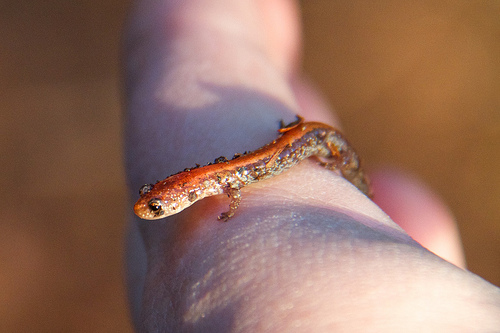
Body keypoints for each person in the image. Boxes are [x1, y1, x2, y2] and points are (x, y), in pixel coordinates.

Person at [124, 1, 500, 331]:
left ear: (181, 192)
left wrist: (233, 210)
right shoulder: (212, 181)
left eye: (155, 204)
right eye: (153, 202)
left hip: (314, 139)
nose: (150, 208)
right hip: (307, 137)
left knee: (347, 167)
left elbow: (234, 190)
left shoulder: (219, 182)